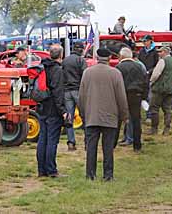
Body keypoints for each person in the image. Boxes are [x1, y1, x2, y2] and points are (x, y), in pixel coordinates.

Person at [79, 48, 128, 181]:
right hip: (110, 116)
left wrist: (84, 114)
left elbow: (81, 96)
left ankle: (90, 175)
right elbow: (121, 97)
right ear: (110, 57)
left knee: (91, 148)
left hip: (91, 116)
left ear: (96, 56)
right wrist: (124, 116)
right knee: (108, 148)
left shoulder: (87, 73)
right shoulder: (115, 73)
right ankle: (108, 175)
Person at [36, 44, 67, 178]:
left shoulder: (43, 68)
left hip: (42, 107)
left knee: (42, 139)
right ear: (61, 55)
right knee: (52, 141)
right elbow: (58, 93)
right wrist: (63, 111)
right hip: (53, 109)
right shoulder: (57, 70)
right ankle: (51, 170)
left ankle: (41, 170)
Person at [116, 48, 147, 152]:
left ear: (122, 56)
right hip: (136, 95)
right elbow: (145, 82)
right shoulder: (139, 66)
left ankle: (113, 143)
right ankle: (137, 145)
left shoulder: (119, 67)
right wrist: (144, 96)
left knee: (119, 119)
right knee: (136, 120)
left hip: (123, 94)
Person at [61, 42, 87, 151]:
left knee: (69, 118)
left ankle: (71, 142)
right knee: (85, 116)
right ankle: (87, 142)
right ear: (81, 50)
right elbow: (85, 76)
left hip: (67, 91)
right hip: (78, 90)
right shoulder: (81, 60)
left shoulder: (65, 60)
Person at [148, 47, 172, 135]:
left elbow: (156, 74)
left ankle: (154, 129)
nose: (159, 53)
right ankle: (166, 129)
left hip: (160, 88)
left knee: (154, 108)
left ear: (165, 52)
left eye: (160, 52)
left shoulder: (162, 61)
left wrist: (151, 82)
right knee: (167, 109)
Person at [138, 35, 159, 122]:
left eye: (145, 41)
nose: (144, 43)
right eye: (143, 41)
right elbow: (138, 61)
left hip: (150, 77)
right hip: (141, 76)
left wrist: (149, 71)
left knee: (149, 97)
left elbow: (156, 65)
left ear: (150, 41)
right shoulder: (141, 51)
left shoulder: (154, 52)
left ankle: (149, 115)